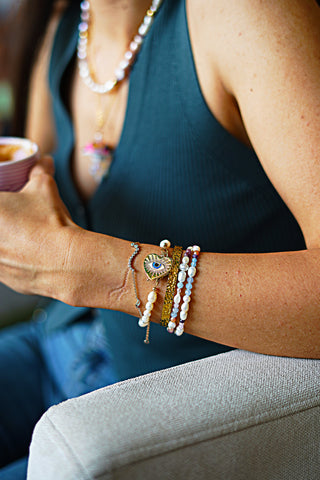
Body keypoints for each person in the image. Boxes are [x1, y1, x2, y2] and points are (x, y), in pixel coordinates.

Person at [0, 0, 319, 477]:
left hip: (170, 399)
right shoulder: (61, 29)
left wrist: (98, 271)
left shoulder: (246, 15)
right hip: (59, 343)